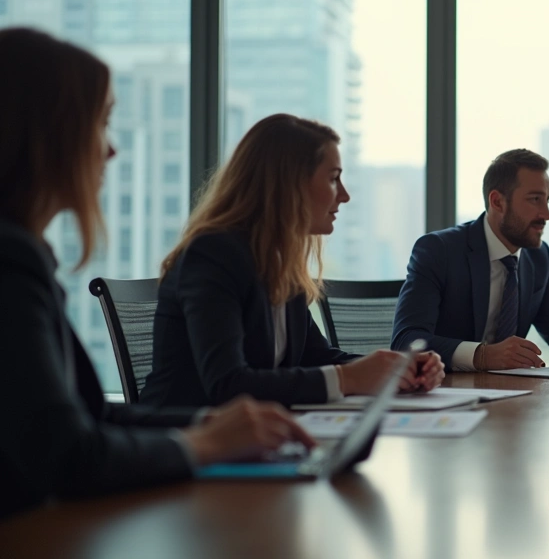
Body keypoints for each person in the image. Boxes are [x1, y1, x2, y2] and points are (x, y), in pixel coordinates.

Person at [0, 27, 317, 520]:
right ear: (47, 137)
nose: (111, 150)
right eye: (101, 124)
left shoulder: (26, 257)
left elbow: (93, 415)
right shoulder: (11, 265)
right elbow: (68, 457)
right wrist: (206, 445)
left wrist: (212, 424)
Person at [140, 114, 444, 408]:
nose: (344, 195)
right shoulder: (213, 255)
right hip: (184, 436)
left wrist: (398, 368)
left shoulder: (280, 262)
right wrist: (348, 378)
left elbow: (317, 357)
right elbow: (227, 385)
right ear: (290, 184)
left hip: (252, 433)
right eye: (333, 179)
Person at [392, 149, 549, 370]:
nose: (546, 214)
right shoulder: (439, 250)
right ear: (497, 202)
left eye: (548, 200)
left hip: (511, 389)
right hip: (446, 387)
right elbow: (406, 341)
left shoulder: (538, 256)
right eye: (535, 199)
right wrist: (482, 355)